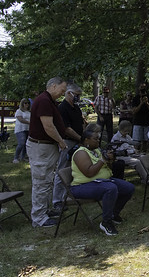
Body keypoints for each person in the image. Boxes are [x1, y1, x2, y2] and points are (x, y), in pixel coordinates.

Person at [70, 129, 135, 236]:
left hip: (101, 181)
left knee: (128, 188)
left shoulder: (96, 151)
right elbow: (89, 173)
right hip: (82, 186)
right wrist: (102, 160)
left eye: (99, 139)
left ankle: (114, 214)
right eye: (95, 139)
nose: (98, 141)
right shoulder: (80, 153)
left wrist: (110, 160)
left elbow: (107, 168)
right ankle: (106, 222)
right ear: (86, 140)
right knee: (110, 188)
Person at [26, 77, 68, 228]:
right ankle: (38, 218)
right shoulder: (44, 101)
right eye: (62, 90)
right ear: (53, 86)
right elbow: (48, 126)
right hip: (41, 148)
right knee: (41, 182)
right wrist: (61, 141)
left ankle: (44, 210)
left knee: (47, 181)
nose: (62, 94)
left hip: (46, 147)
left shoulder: (49, 101)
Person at [53, 82, 87, 214]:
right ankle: (57, 200)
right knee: (62, 169)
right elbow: (66, 129)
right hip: (67, 142)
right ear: (68, 93)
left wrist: (83, 137)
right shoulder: (62, 108)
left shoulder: (76, 108)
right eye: (76, 95)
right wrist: (80, 138)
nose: (78, 98)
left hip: (78, 142)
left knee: (73, 169)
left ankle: (67, 195)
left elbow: (81, 123)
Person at [132, 83, 149, 151]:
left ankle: (144, 155)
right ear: (139, 88)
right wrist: (141, 103)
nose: (142, 89)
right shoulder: (135, 98)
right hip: (138, 122)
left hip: (147, 121)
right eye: (141, 87)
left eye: (144, 87)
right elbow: (134, 111)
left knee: (146, 141)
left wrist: (147, 103)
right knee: (136, 142)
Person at [13, 98, 31, 163]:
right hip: (20, 129)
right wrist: (30, 122)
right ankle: (16, 157)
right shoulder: (19, 111)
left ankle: (23, 157)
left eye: (28, 103)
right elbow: (21, 120)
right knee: (21, 143)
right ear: (22, 104)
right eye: (25, 103)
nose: (27, 104)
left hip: (28, 129)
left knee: (26, 144)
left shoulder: (29, 112)